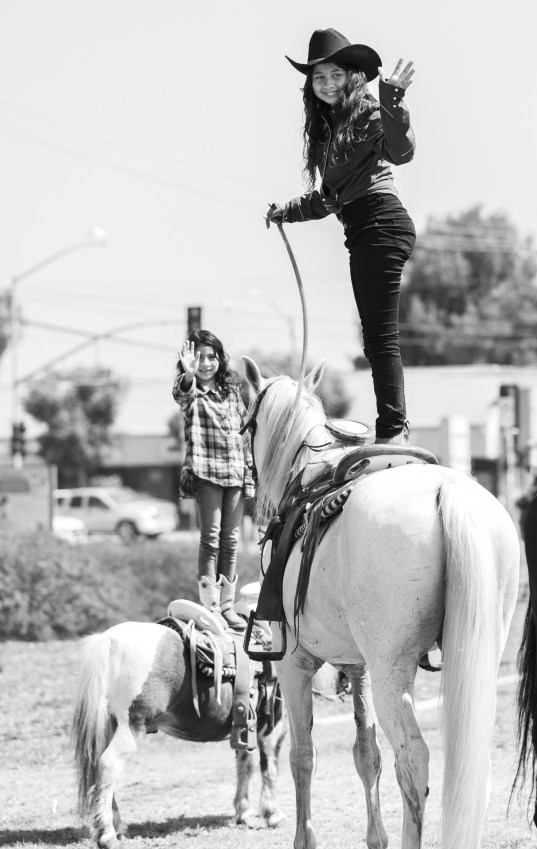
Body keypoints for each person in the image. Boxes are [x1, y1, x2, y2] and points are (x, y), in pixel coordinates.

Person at [266, 27, 416, 444]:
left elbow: (401, 152)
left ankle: (393, 431)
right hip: (362, 228)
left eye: (335, 75)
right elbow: (330, 198)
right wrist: (287, 212)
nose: (327, 84)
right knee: (374, 338)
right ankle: (393, 426)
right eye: (318, 78)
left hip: (382, 222)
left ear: (352, 77)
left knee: (381, 337)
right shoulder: (329, 129)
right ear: (310, 86)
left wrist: (394, 99)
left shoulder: (368, 113)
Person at [173, 330, 254, 631]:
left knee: (231, 542)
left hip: (234, 472)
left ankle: (229, 607)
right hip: (206, 473)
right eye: (200, 358)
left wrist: (249, 474)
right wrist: (188, 374)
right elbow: (182, 395)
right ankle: (212, 608)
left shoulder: (232, 392)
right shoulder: (192, 392)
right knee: (211, 538)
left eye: (212, 357)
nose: (206, 363)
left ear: (220, 359)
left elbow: (244, 433)